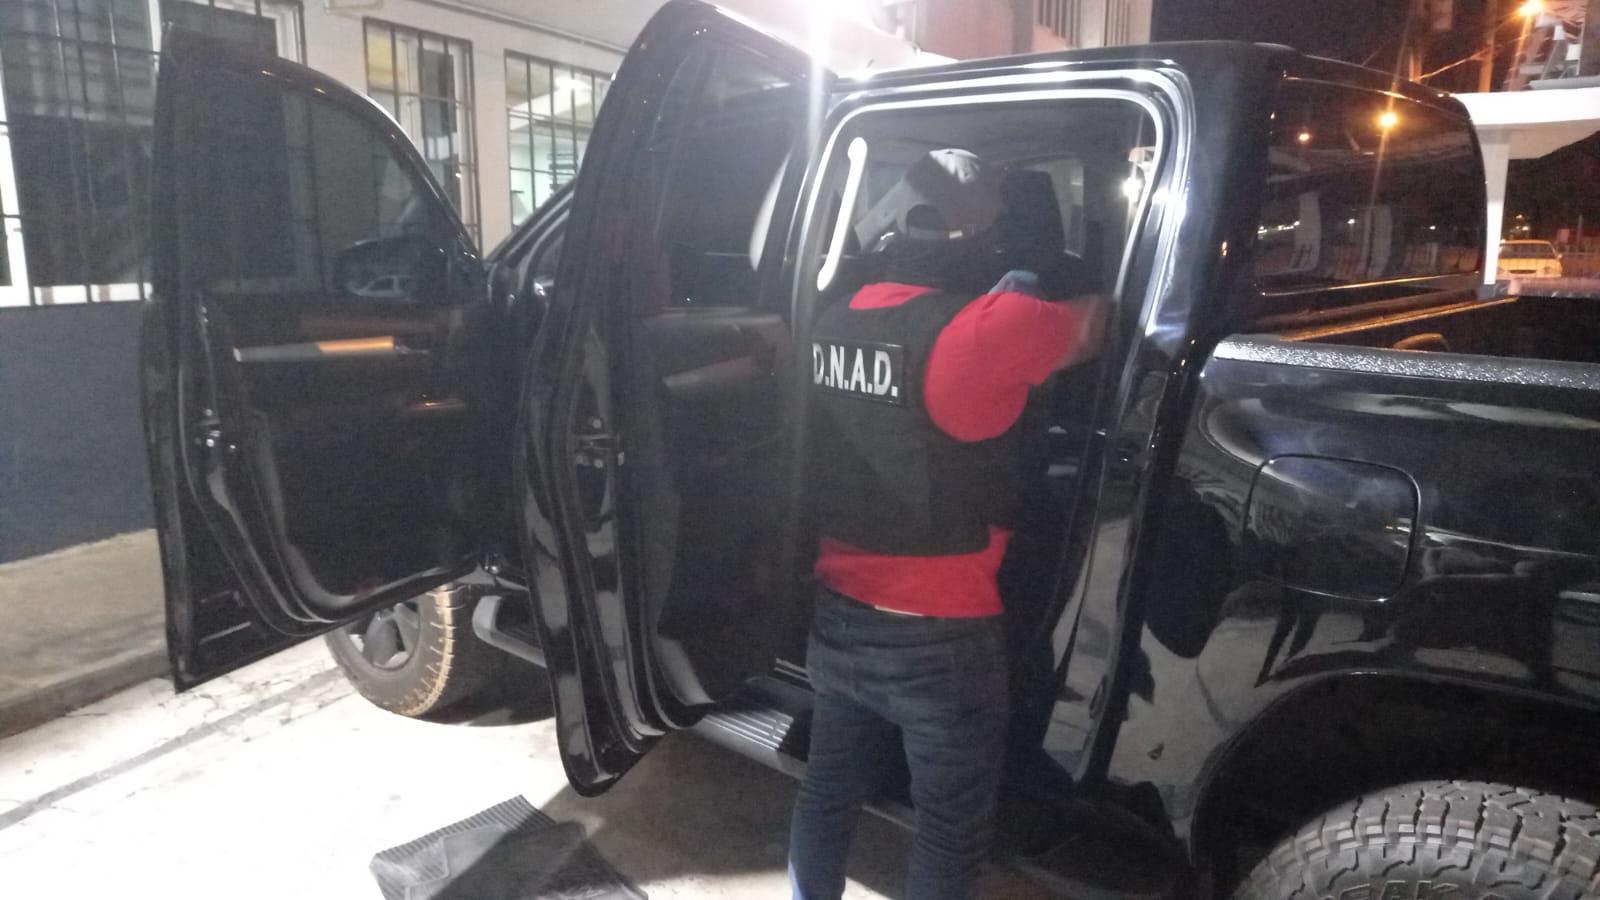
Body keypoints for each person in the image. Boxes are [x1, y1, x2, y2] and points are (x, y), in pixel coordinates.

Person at [789, 147, 1106, 900]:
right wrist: (1030, 274)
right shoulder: (989, 327)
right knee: (948, 832)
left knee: (827, 791)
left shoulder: (829, 319)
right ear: (978, 239)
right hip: (941, 638)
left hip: (838, 616)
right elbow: (1098, 324)